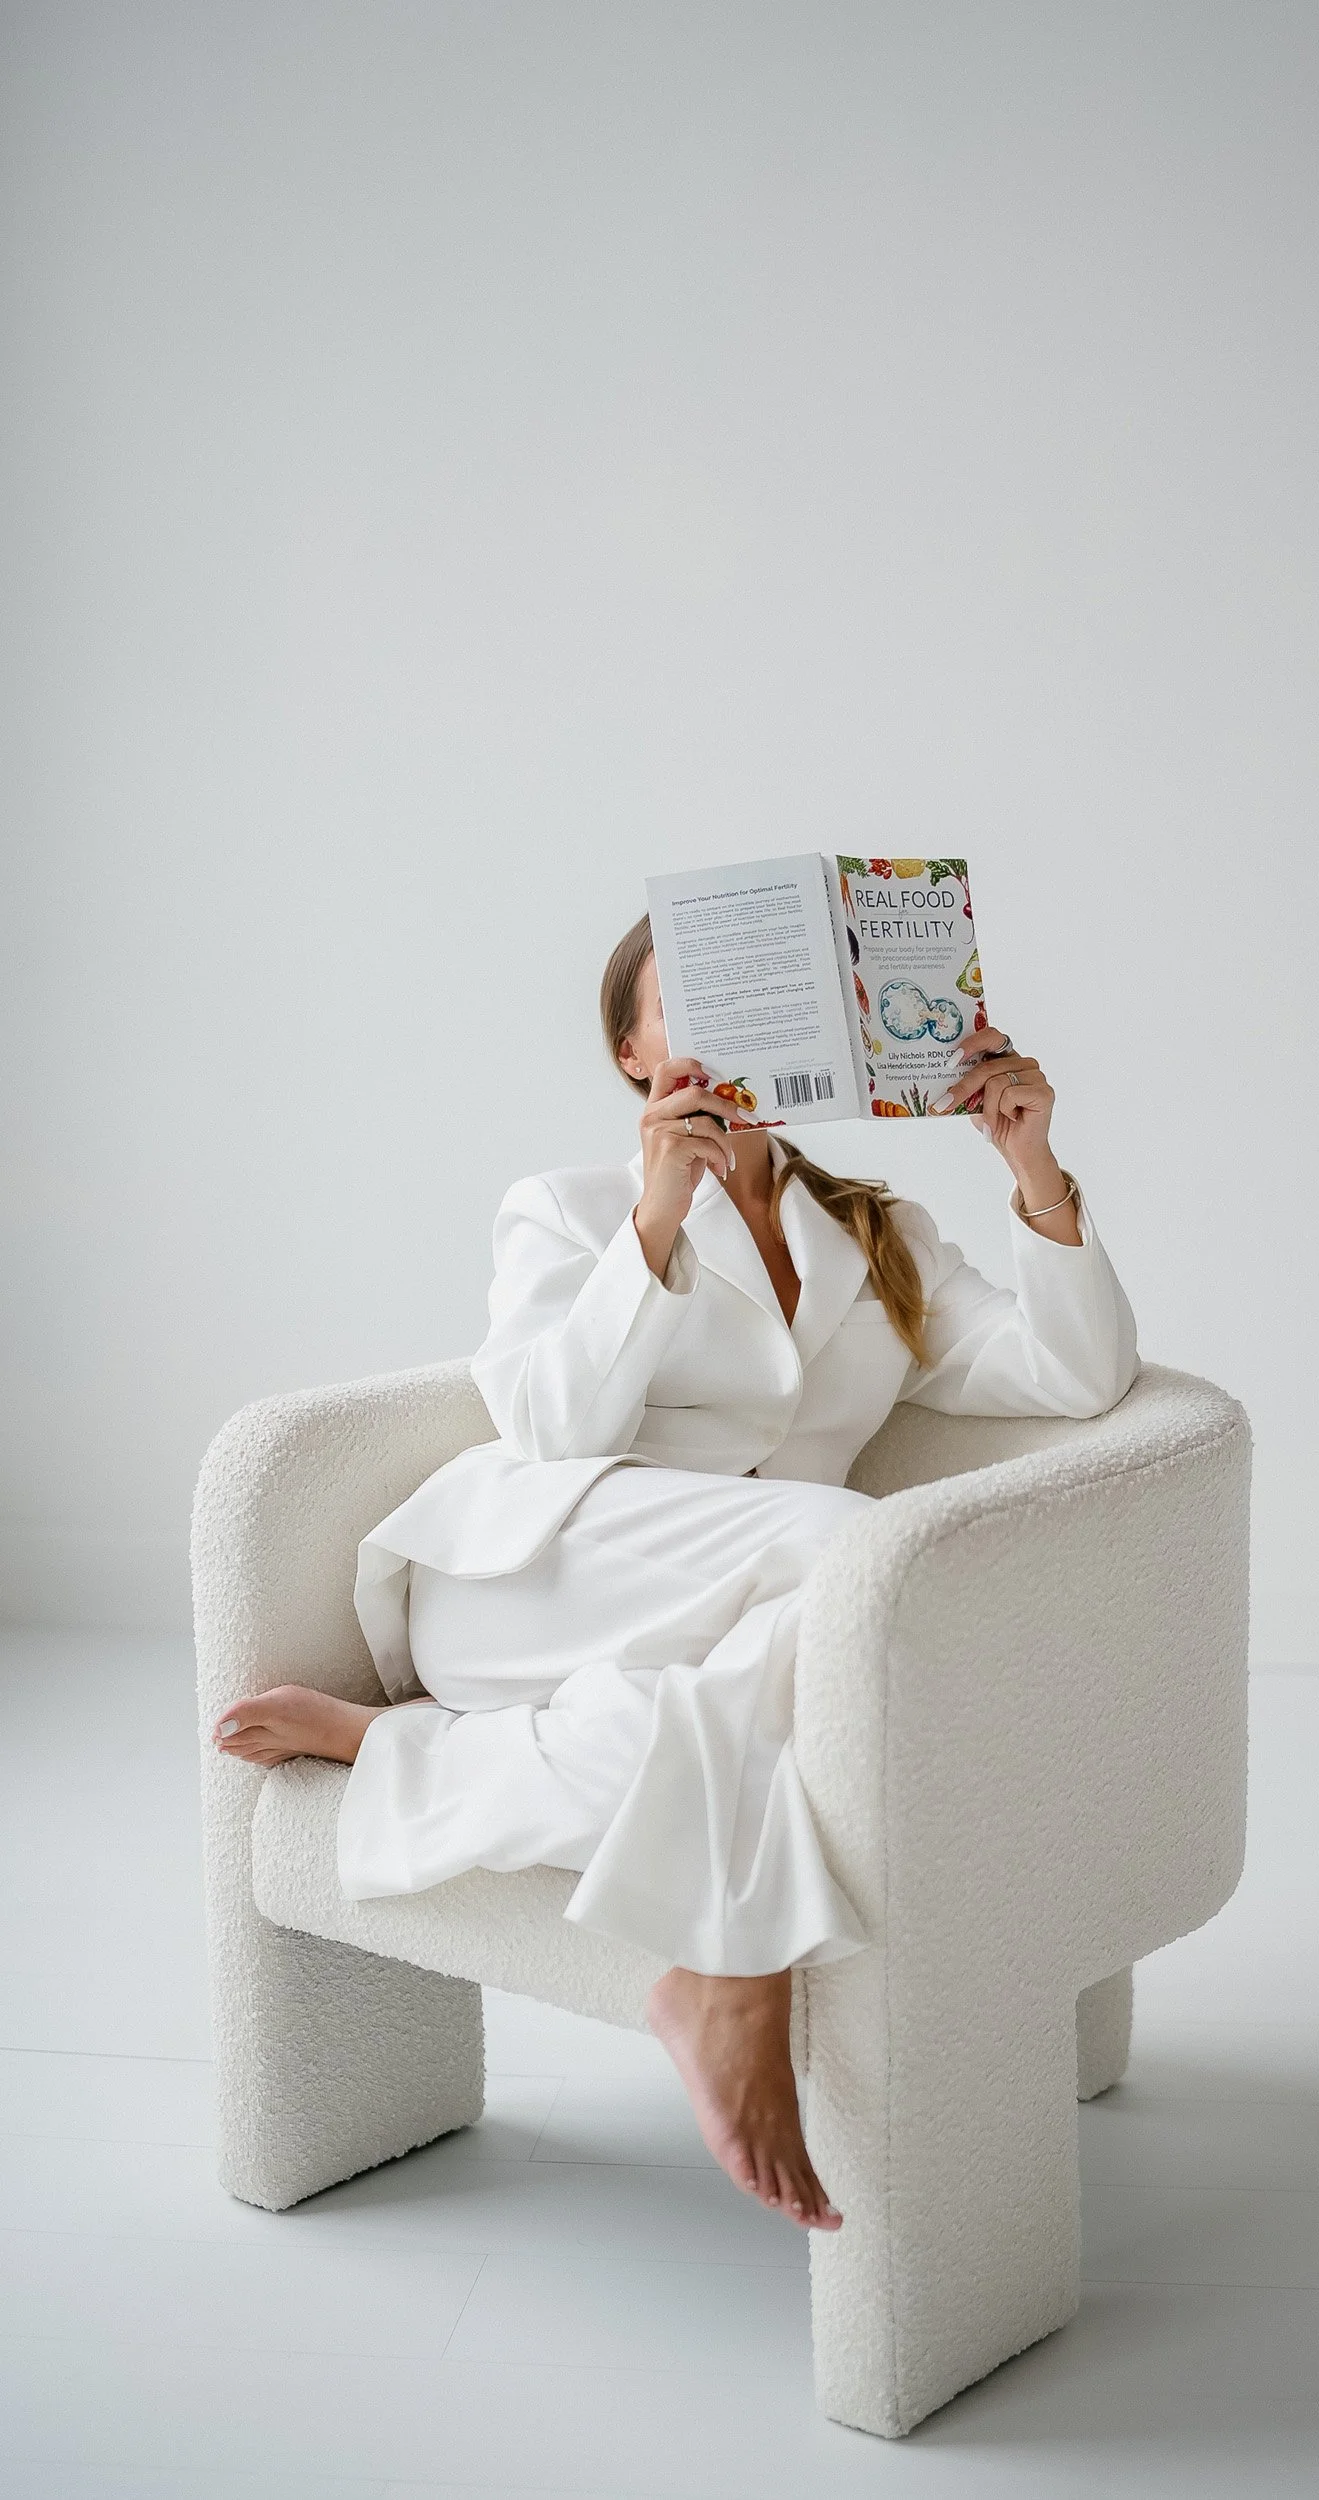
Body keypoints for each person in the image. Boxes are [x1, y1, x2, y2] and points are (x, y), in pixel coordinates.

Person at [213, 914, 1139, 2231]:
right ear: (632, 1050)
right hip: (527, 1578)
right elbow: (547, 1431)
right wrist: (658, 1215)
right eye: (690, 1005)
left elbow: (1075, 1376)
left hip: (724, 1629)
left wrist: (1030, 1161)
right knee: (852, 1553)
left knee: (818, 1635)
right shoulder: (564, 1207)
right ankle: (732, 1965)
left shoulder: (876, 1230)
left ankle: (404, 1759)